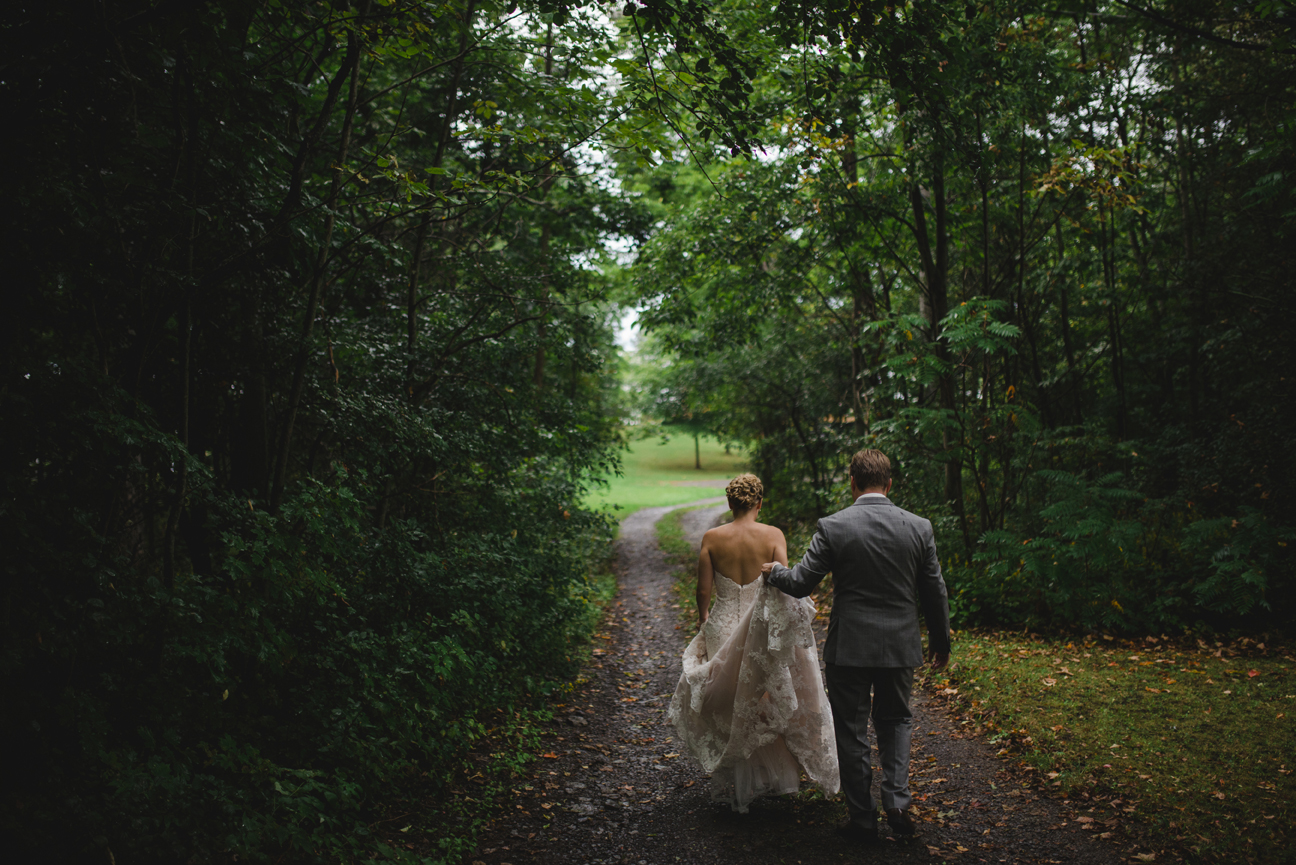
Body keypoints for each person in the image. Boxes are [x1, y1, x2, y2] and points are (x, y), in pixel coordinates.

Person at [761, 449, 950, 844]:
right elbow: (934, 590)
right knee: (896, 720)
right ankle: (897, 801)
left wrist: (775, 572)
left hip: (849, 647)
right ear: (890, 483)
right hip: (900, 646)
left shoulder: (834, 526)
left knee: (851, 729)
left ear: (852, 481)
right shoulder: (919, 527)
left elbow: (800, 583)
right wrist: (940, 640)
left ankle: (862, 819)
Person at [668, 473, 839, 812]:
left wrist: (703, 618)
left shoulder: (713, 538)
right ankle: (773, 779)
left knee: (733, 702)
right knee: (763, 697)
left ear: (730, 503)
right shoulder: (773, 535)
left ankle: (739, 782)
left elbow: (703, 589)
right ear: (759, 503)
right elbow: (784, 587)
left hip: (723, 626)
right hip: (760, 628)